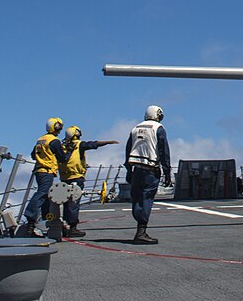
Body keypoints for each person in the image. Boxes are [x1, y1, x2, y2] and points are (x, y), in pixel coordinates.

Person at [59, 126, 119, 238]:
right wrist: (108, 142)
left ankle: (64, 225)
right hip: (76, 177)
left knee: (65, 202)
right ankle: (72, 228)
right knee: (74, 202)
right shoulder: (79, 145)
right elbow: (93, 144)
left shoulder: (62, 146)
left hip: (64, 178)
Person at [125, 105, 172, 245]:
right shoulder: (158, 128)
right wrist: (167, 172)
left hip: (136, 170)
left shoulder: (135, 128)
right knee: (146, 198)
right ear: (158, 115)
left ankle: (140, 229)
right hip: (150, 170)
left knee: (137, 198)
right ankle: (141, 232)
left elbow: (127, 150)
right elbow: (164, 151)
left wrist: (128, 171)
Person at [18, 117, 67, 237]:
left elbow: (33, 155)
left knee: (45, 195)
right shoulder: (54, 141)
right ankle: (30, 219)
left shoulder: (41, 139)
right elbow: (63, 158)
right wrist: (68, 151)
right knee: (42, 193)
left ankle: (45, 217)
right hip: (47, 171)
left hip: (39, 170)